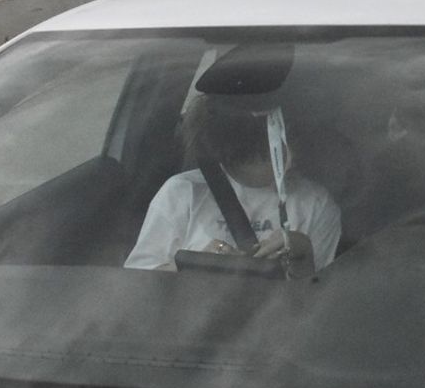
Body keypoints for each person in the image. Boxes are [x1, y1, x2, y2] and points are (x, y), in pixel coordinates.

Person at [125, 92, 341, 275]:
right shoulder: (182, 193)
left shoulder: (315, 204)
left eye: (289, 145)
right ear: (230, 155)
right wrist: (193, 265)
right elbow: (137, 282)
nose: (290, 161)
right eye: (271, 155)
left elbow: (323, 300)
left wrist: (304, 256)